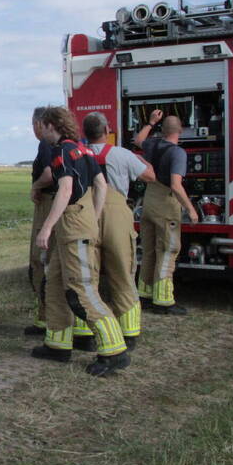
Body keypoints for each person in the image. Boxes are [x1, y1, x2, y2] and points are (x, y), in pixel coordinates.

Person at [32, 107, 131, 377]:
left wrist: (47, 228)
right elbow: (100, 185)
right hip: (81, 222)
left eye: (41, 125)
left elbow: (64, 189)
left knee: (81, 290)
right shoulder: (84, 150)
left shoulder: (62, 152)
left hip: (72, 225)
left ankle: (114, 351)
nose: (39, 131)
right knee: (54, 284)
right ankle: (57, 344)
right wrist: (94, 218)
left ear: (51, 125)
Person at [84, 112, 156, 348]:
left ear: (85, 133)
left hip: (85, 216)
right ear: (107, 131)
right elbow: (149, 177)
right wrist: (144, 160)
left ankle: (87, 331)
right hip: (117, 215)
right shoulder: (122, 154)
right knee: (123, 273)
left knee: (87, 276)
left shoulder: (77, 154)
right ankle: (129, 332)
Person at [133, 110, 199, 315]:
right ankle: (163, 301)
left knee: (150, 249)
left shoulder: (152, 144)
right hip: (166, 204)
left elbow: (138, 140)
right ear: (181, 130)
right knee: (168, 250)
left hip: (149, 201)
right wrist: (190, 209)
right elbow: (175, 185)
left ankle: (144, 294)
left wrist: (150, 122)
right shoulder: (178, 153)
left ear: (162, 130)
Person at [25, 106, 55, 336]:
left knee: (39, 261)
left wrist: (35, 186)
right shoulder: (67, 144)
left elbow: (48, 173)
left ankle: (45, 318)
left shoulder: (45, 144)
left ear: (38, 124)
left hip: (47, 204)